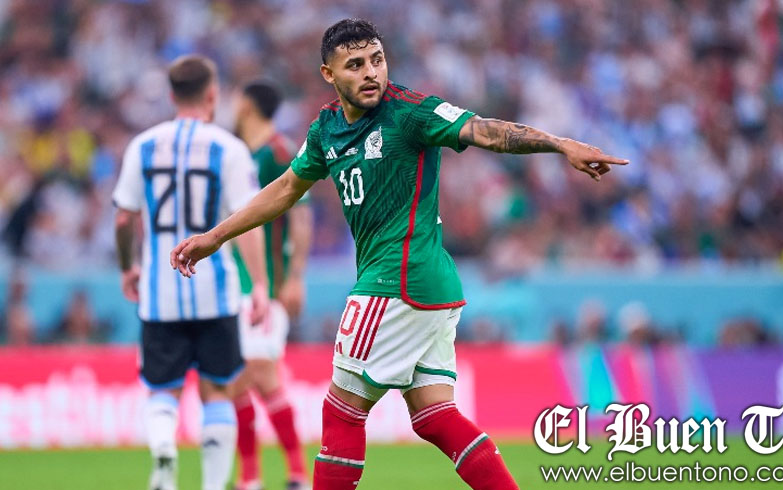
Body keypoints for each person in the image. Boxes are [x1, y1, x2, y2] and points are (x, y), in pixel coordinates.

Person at [170, 19, 627, 490]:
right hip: (427, 289)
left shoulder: (410, 113)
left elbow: (485, 131)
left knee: (342, 411)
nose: (371, 72)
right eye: (355, 65)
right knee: (434, 416)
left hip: (395, 282)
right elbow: (287, 188)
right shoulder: (326, 128)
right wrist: (216, 236)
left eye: (377, 60)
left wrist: (559, 144)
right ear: (329, 74)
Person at [113, 54, 270, 490]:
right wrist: (259, 283)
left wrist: (127, 266)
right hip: (215, 291)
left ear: (171, 95)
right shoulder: (229, 148)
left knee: (163, 390)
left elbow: (124, 218)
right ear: (212, 95)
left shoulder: (142, 146)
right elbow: (249, 221)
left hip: (159, 292)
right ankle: (214, 485)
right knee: (217, 390)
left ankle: (164, 449)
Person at [230, 79, 313, 490]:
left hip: (267, 284)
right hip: (234, 285)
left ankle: (291, 474)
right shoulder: (239, 154)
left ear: (247, 104)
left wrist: (295, 276)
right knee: (236, 380)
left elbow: (301, 215)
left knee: (259, 372)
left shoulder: (279, 152)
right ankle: (260, 477)